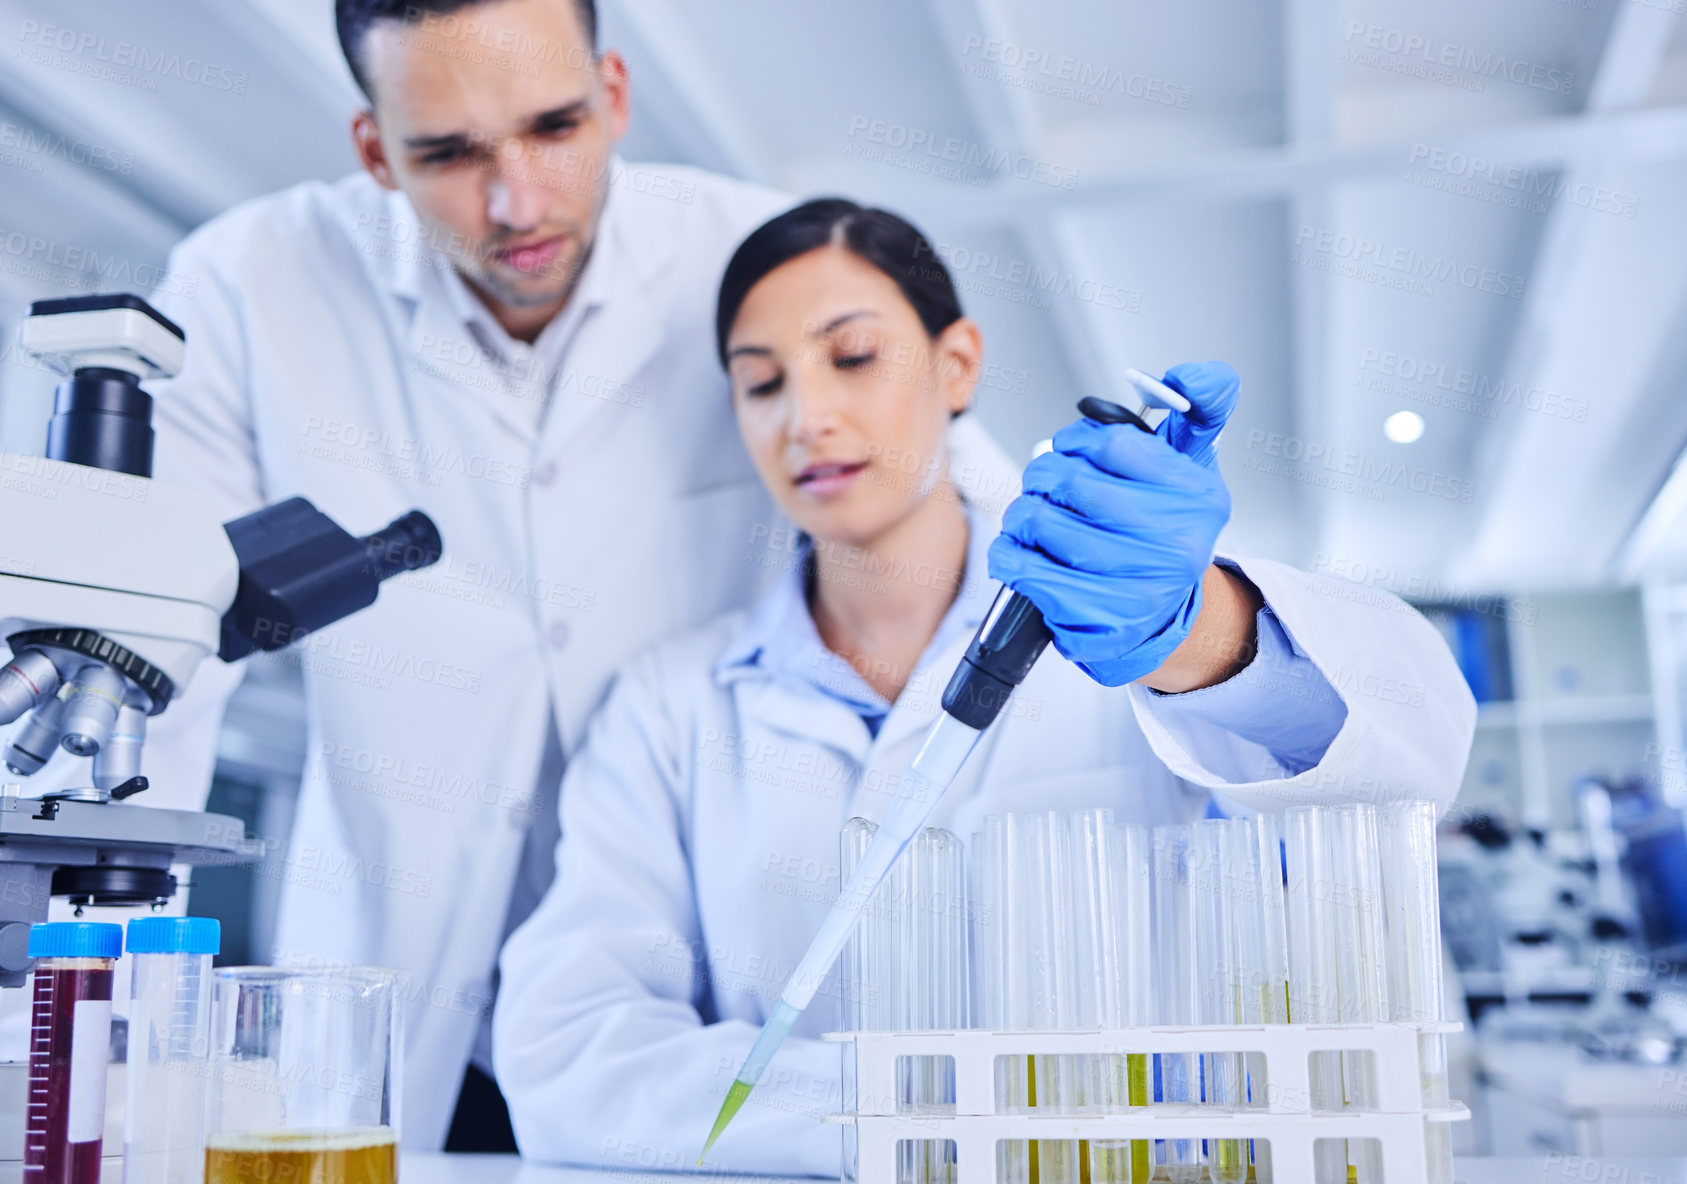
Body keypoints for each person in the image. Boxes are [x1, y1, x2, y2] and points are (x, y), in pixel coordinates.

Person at [15, 0, 887, 1151]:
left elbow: (940, 511)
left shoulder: (761, 267)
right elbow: (142, 648)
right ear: (375, 148)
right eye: (448, 153)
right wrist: (87, 1022)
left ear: (616, 94)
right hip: (389, 998)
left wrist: (1198, 613)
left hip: (694, 1008)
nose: (517, 202)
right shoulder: (252, 283)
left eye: (555, 127)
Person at [492, 199, 1477, 1174]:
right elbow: (566, 1051)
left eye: (853, 356)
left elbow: (1407, 756)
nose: (808, 417)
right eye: (761, 383)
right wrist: (924, 1107)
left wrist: (1199, 630)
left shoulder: (1123, 630)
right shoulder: (670, 706)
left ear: (955, 362)